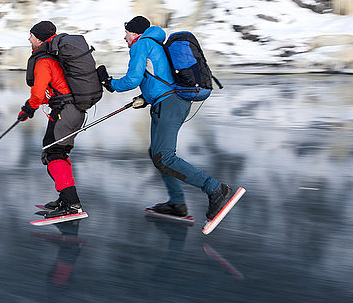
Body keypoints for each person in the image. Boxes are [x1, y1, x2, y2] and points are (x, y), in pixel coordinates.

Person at [96, 16, 233, 222]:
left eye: (126, 32)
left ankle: (215, 189)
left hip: (169, 104)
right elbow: (158, 77)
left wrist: (109, 83)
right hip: (166, 102)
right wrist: (146, 97)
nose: (124, 37)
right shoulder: (155, 44)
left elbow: (133, 78)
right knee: (156, 153)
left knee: (164, 156)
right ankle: (177, 203)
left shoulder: (141, 44)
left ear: (136, 33)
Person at [18, 20, 86, 218]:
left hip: (64, 110)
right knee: (58, 152)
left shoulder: (43, 61)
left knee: (53, 153)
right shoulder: (54, 58)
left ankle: (72, 203)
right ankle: (66, 199)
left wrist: (28, 109)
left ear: (39, 38)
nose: (28, 38)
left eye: (31, 35)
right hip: (74, 110)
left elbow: (38, 95)